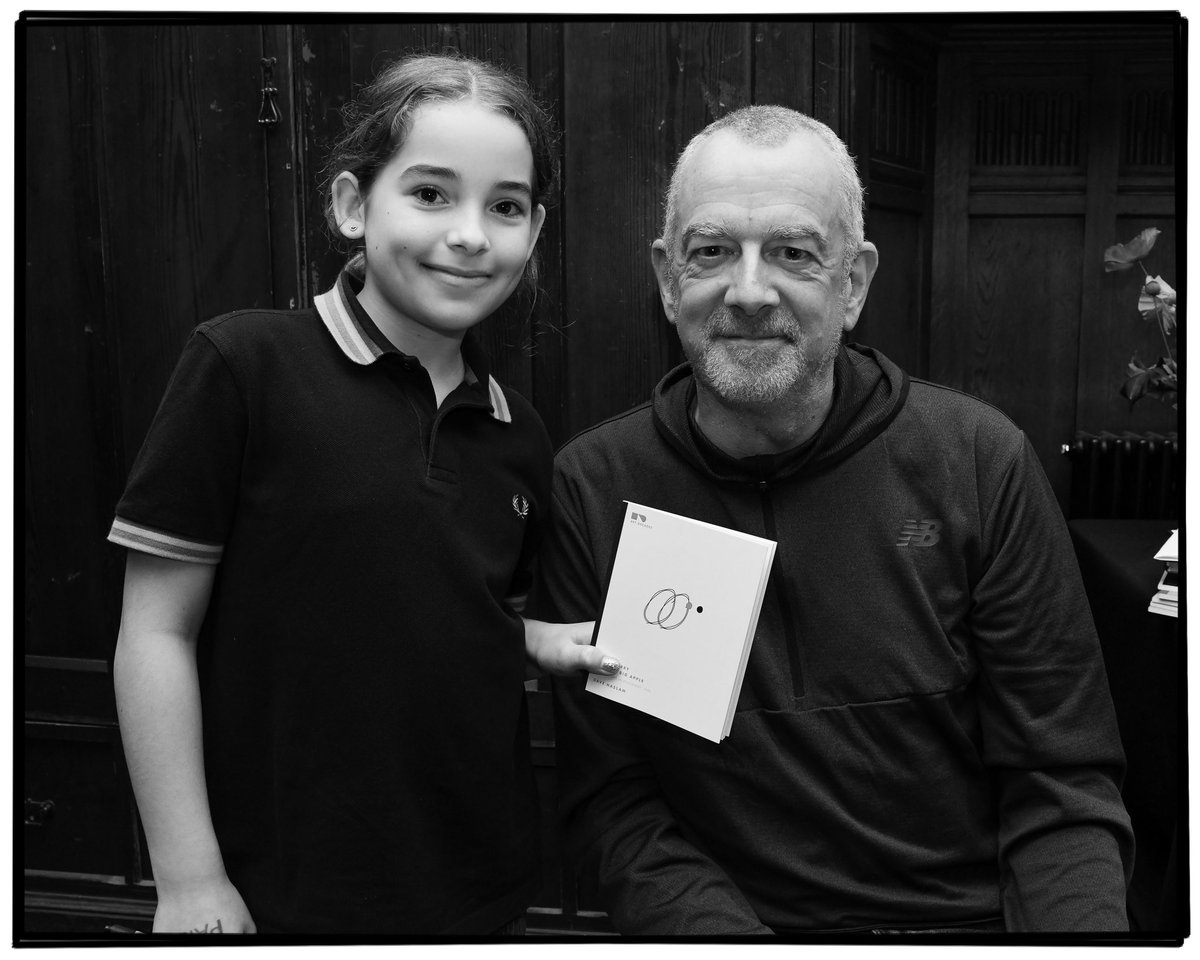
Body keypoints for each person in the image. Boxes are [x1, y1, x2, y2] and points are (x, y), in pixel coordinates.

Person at [532, 105, 1133, 935]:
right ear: (669, 279)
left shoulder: (979, 461)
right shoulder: (595, 488)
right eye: (712, 252)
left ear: (852, 284)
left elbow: (1060, 790)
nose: (747, 291)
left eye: (793, 253)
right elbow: (617, 803)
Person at [109, 52, 610, 936]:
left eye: (505, 206)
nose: (469, 234)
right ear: (352, 205)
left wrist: (544, 643)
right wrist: (188, 877)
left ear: (533, 233)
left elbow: (443, 611)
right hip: (279, 889)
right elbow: (156, 633)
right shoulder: (243, 366)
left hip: (479, 884)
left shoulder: (519, 431)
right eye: (429, 193)